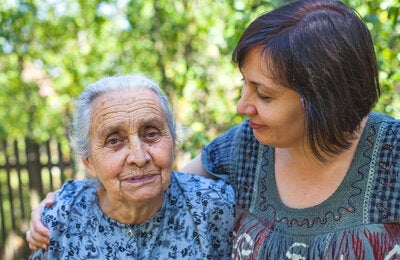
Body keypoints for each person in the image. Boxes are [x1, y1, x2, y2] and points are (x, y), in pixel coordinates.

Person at [28, 0, 400, 258]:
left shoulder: (392, 156)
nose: (242, 106)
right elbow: (157, 186)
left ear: (323, 98)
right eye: (245, 83)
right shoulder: (245, 146)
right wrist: (60, 206)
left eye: (264, 94)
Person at [28, 74, 235, 259]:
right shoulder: (59, 219)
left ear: (173, 140)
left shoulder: (213, 206)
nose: (139, 157)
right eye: (114, 141)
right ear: (88, 162)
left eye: (152, 134)